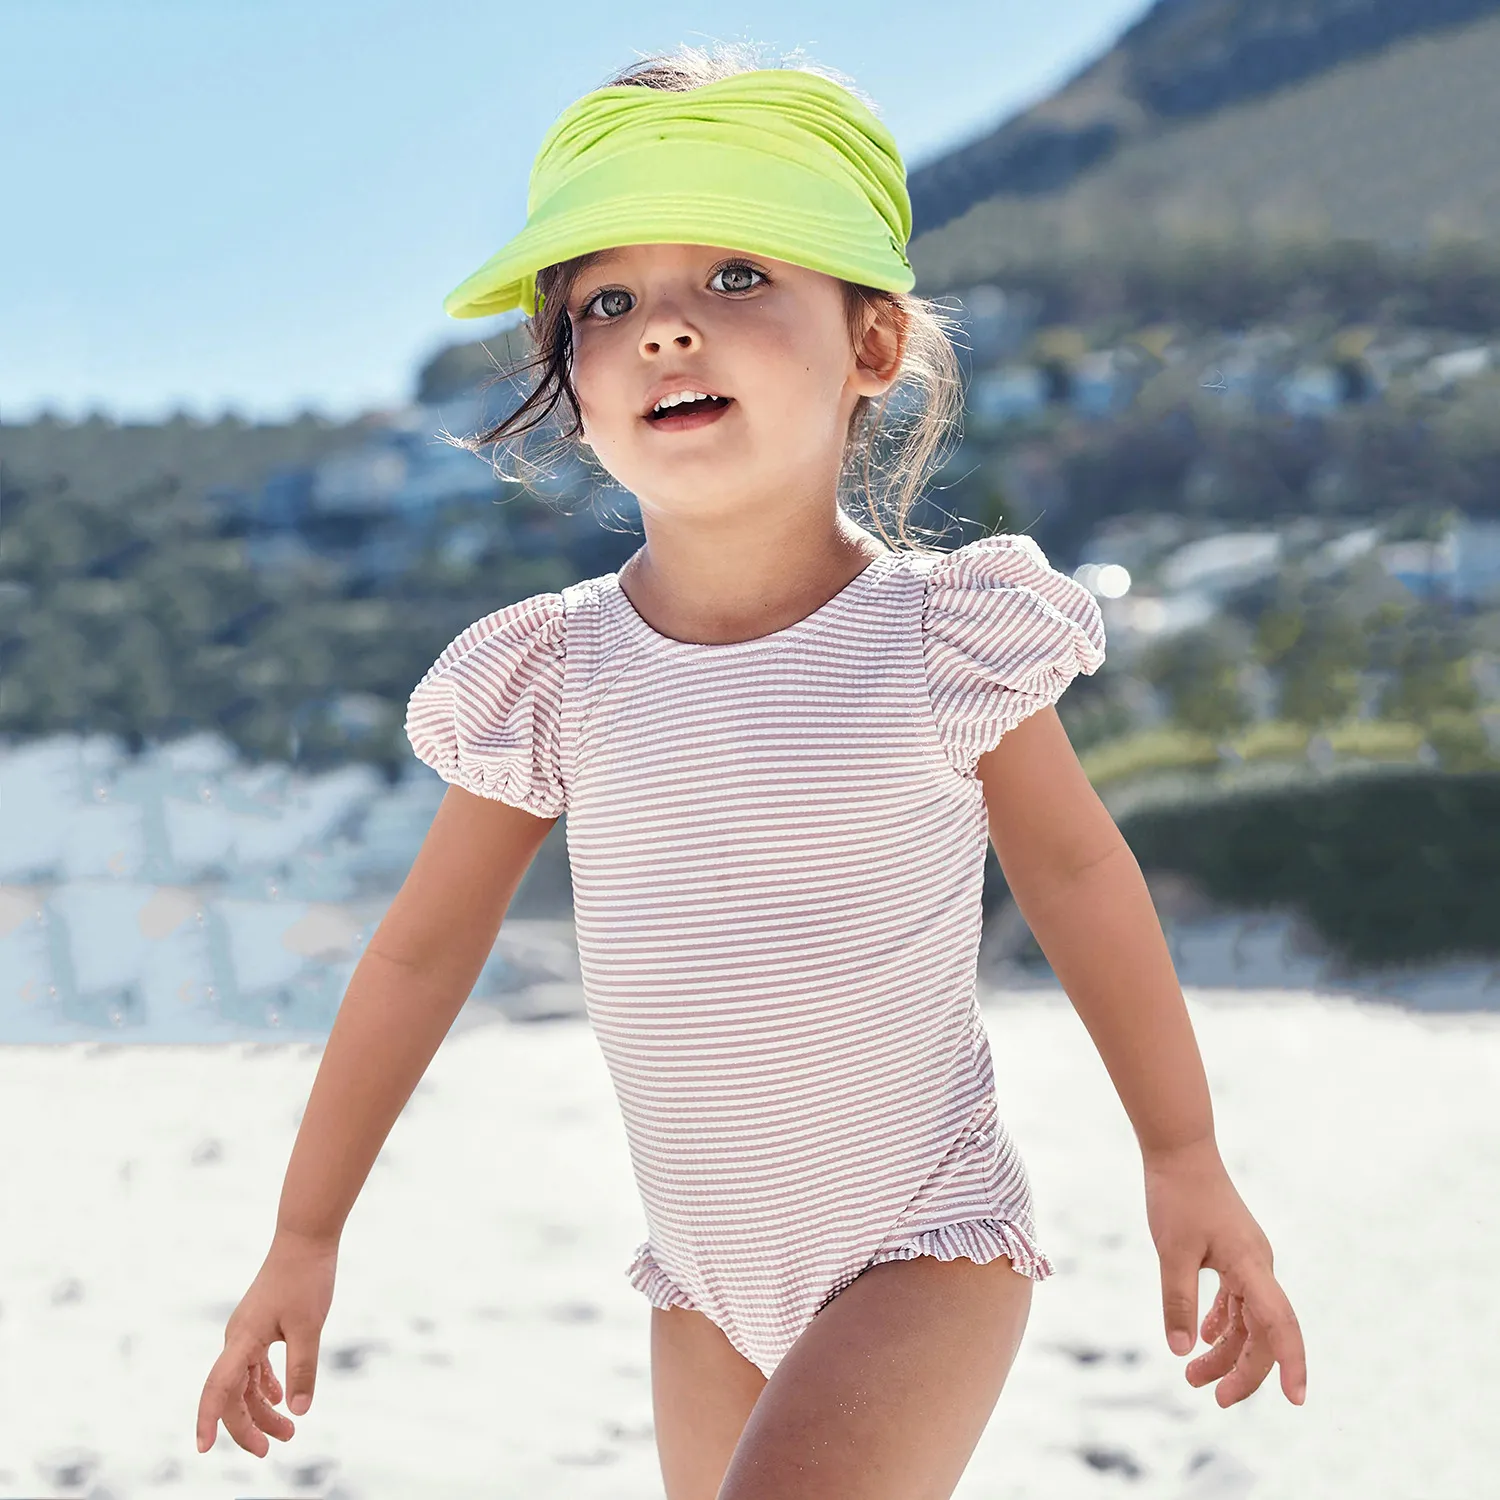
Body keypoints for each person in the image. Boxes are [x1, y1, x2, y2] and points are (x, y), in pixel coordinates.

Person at [195, 44, 1307, 1499]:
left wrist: (1183, 1156)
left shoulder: (937, 638)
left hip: (923, 1246)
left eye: (734, 279)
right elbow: (417, 954)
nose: (665, 331)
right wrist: (304, 1235)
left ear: (870, 347)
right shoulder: (554, 676)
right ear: (573, 391)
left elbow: (1080, 870)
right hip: (699, 1289)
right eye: (609, 303)